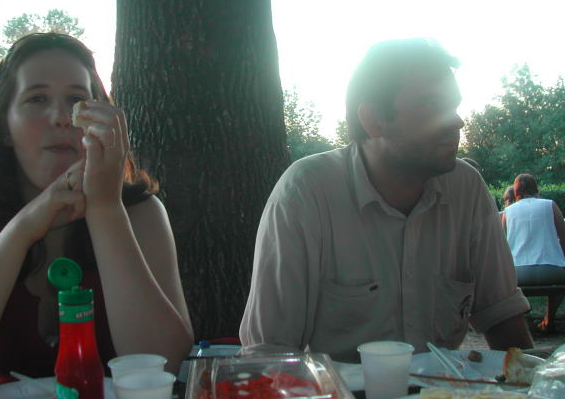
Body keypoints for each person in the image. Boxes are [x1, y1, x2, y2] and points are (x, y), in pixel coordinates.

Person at [0, 33, 193, 398]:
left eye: (76, 100)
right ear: (4, 126)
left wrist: (105, 209)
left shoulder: (141, 214)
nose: (61, 118)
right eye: (37, 99)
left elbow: (164, 365)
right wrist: (21, 230)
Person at [240, 38, 533, 362]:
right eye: (431, 105)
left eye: (453, 106)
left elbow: (501, 314)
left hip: (443, 387)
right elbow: (270, 352)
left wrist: (537, 380)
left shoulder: (466, 188)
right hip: (340, 388)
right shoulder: (306, 192)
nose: (456, 121)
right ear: (374, 120)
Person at [502, 173, 565, 333]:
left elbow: (501, 245)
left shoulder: (508, 211)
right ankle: (549, 319)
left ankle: (519, 321)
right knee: (560, 275)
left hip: (517, 272)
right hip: (551, 270)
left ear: (516, 192)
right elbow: (563, 237)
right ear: (536, 189)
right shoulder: (550, 205)